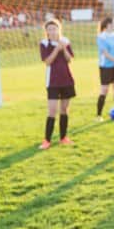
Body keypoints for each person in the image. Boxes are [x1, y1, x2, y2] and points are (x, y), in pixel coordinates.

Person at [38, 19, 75, 149]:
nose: (52, 31)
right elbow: (47, 61)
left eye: (55, 28)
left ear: (59, 29)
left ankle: (63, 137)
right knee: (52, 111)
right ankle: (47, 140)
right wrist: (56, 49)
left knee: (64, 110)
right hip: (52, 82)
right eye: (50, 29)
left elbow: (69, 59)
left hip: (66, 80)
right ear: (46, 32)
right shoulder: (44, 44)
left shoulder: (65, 41)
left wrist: (63, 48)